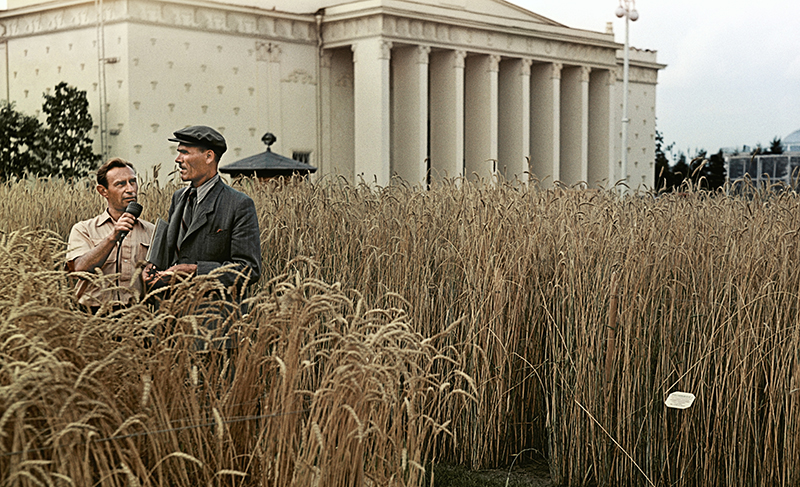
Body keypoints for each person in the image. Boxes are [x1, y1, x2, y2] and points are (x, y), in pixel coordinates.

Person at [145, 125, 261, 300]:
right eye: (178, 152)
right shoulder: (178, 198)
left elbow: (248, 269)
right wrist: (153, 268)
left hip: (211, 319)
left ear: (208, 156)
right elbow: (173, 252)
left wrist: (195, 271)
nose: (177, 159)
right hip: (172, 315)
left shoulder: (239, 204)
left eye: (185, 152)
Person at [66, 158, 155, 312]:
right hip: (92, 317)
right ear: (103, 191)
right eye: (120, 184)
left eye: (132, 182)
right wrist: (112, 237)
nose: (130, 189)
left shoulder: (152, 231)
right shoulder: (83, 230)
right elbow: (79, 269)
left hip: (137, 319)